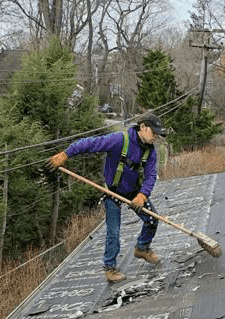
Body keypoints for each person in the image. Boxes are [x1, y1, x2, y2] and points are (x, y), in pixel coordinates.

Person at [46, 114, 166, 282]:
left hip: (135, 193)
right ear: (143, 127)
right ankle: (110, 268)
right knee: (113, 232)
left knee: (153, 219)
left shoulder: (150, 151)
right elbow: (89, 143)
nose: (156, 137)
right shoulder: (119, 140)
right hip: (113, 192)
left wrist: (143, 194)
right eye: (154, 132)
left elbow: (151, 176)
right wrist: (66, 154)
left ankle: (142, 248)